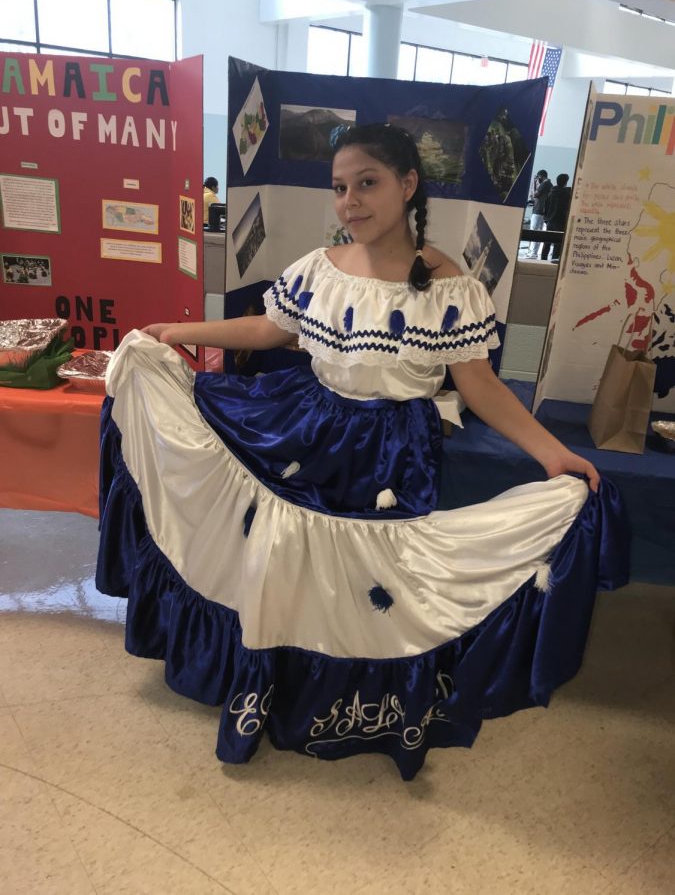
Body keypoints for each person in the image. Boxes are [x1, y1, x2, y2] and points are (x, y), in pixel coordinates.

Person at [97, 124, 627, 781]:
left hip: (388, 450)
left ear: (407, 185)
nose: (349, 201)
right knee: (285, 554)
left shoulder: (449, 287)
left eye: (366, 183)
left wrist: (551, 454)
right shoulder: (320, 267)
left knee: (363, 578)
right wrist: (177, 330)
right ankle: (273, 689)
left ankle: (347, 706)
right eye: (340, 188)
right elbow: (268, 329)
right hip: (304, 424)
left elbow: (480, 384)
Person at [541, 173, 572, 261]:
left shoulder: (551, 193)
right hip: (560, 221)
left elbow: (546, 207)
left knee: (547, 243)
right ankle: (554, 260)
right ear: (566, 182)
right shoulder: (566, 194)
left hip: (550, 221)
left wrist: (546, 219)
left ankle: (543, 260)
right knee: (557, 244)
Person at [526, 169, 552, 258]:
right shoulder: (550, 184)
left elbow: (535, 195)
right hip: (543, 212)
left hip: (537, 211)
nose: (537, 179)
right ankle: (534, 253)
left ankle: (532, 253)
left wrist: (534, 183)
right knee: (538, 233)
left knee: (533, 232)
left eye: (538, 177)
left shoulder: (544, 184)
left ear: (541, 176)